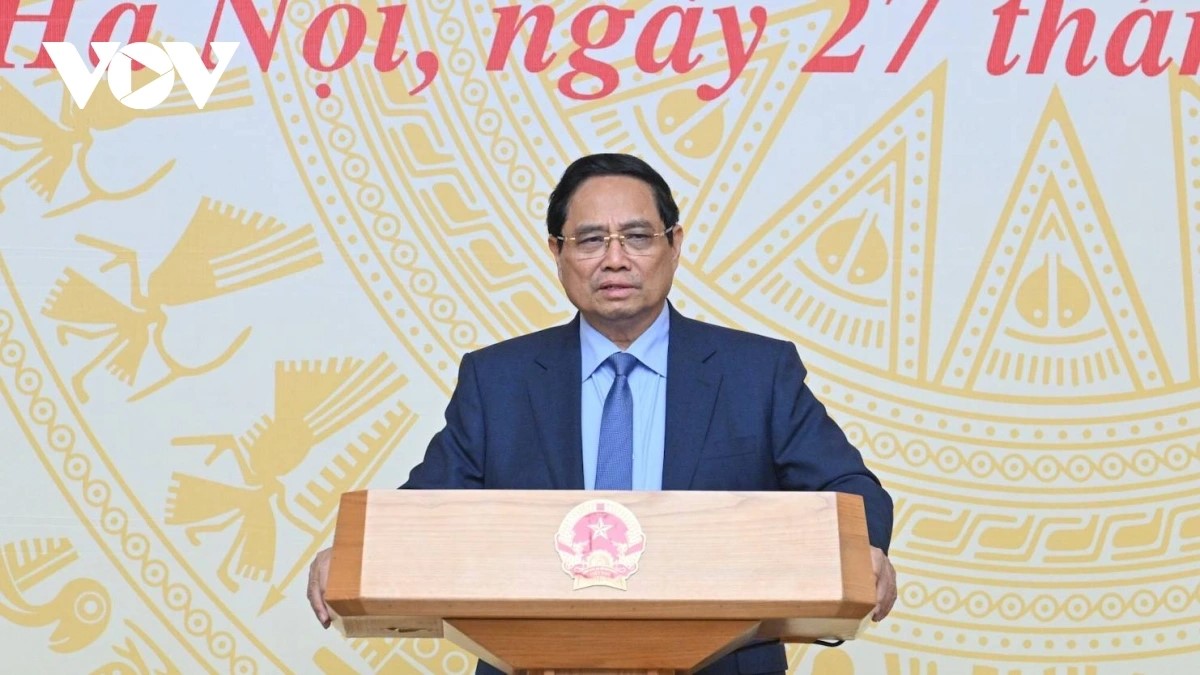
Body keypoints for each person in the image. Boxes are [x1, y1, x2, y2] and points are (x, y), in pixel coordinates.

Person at [308, 153, 897, 675]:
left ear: (674, 244)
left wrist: (861, 550)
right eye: (590, 240)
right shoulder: (498, 380)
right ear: (557, 253)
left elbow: (851, 490)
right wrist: (357, 557)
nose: (615, 260)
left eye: (637, 237)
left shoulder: (756, 373)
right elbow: (426, 512)